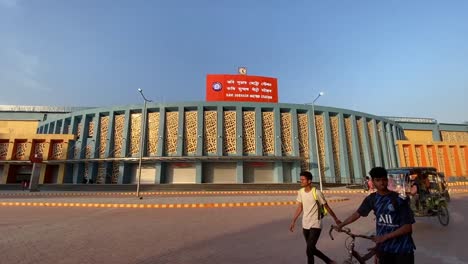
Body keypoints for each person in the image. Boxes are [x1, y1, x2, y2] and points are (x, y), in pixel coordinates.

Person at [336, 167, 416, 264]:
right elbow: (357, 214)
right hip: (384, 249)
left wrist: (384, 237)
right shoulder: (372, 199)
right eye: (378, 180)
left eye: (384, 179)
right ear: (373, 182)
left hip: (402, 249)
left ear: (387, 180)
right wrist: (341, 225)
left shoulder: (399, 199)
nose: (382, 183)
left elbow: (407, 228)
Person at [289, 171, 341, 264]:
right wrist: (293, 221)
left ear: (309, 181)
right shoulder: (300, 192)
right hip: (305, 224)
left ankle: (328, 261)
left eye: (303, 179)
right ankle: (329, 261)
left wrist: (336, 219)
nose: (301, 181)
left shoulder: (317, 192)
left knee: (309, 250)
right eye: (300, 179)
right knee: (311, 249)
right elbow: (300, 207)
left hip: (315, 224)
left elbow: (326, 207)